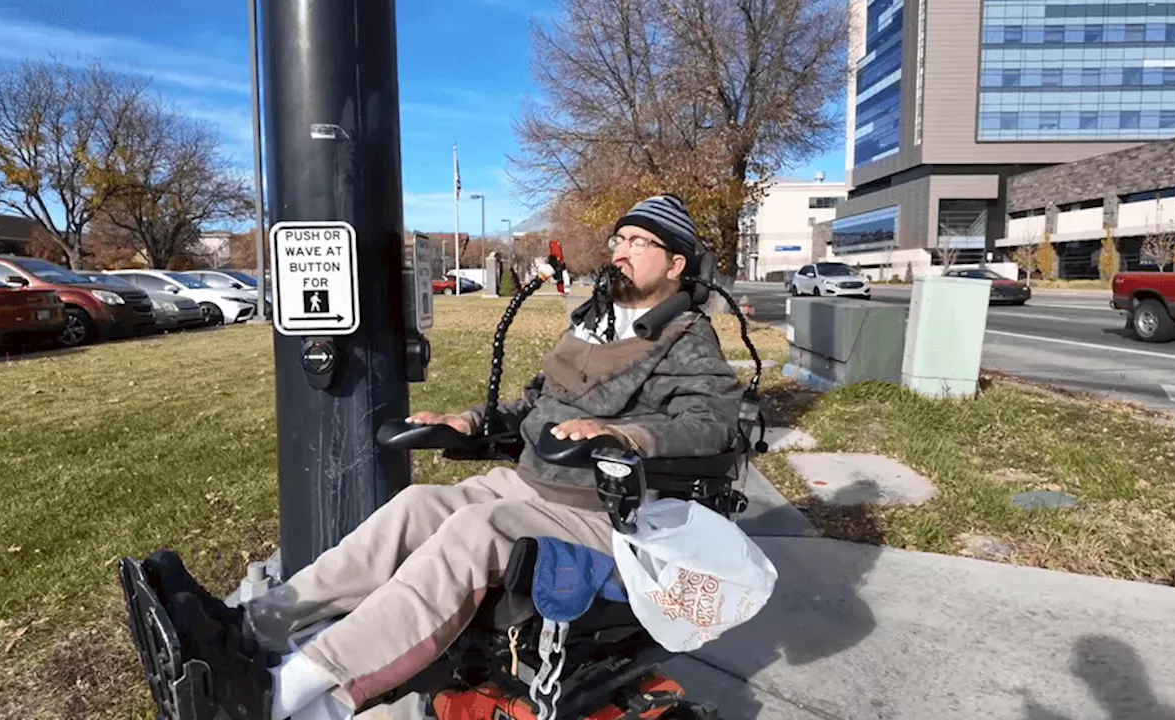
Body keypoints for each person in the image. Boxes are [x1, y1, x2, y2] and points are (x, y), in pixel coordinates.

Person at [141, 194, 745, 720]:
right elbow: (537, 401)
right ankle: (252, 625)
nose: (622, 250)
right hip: (533, 485)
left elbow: (709, 423)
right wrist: (472, 420)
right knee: (417, 506)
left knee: (476, 531)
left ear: (675, 264)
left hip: (604, 512)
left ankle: (278, 695)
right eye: (621, 238)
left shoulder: (687, 337)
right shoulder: (594, 321)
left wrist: (628, 437)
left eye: (642, 242)